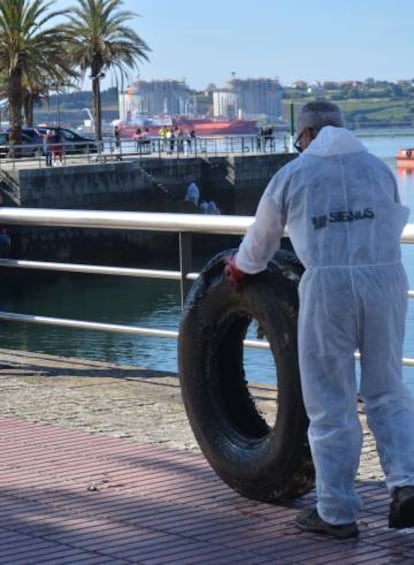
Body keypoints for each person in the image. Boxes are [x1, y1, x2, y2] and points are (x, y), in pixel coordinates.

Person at [225, 100, 414, 539]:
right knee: (387, 388)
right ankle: (406, 484)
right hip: (385, 280)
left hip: (328, 288)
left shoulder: (294, 174)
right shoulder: (378, 169)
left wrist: (240, 268)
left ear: (305, 134)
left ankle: (336, 511)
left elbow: (261, 241)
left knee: (330, 398)